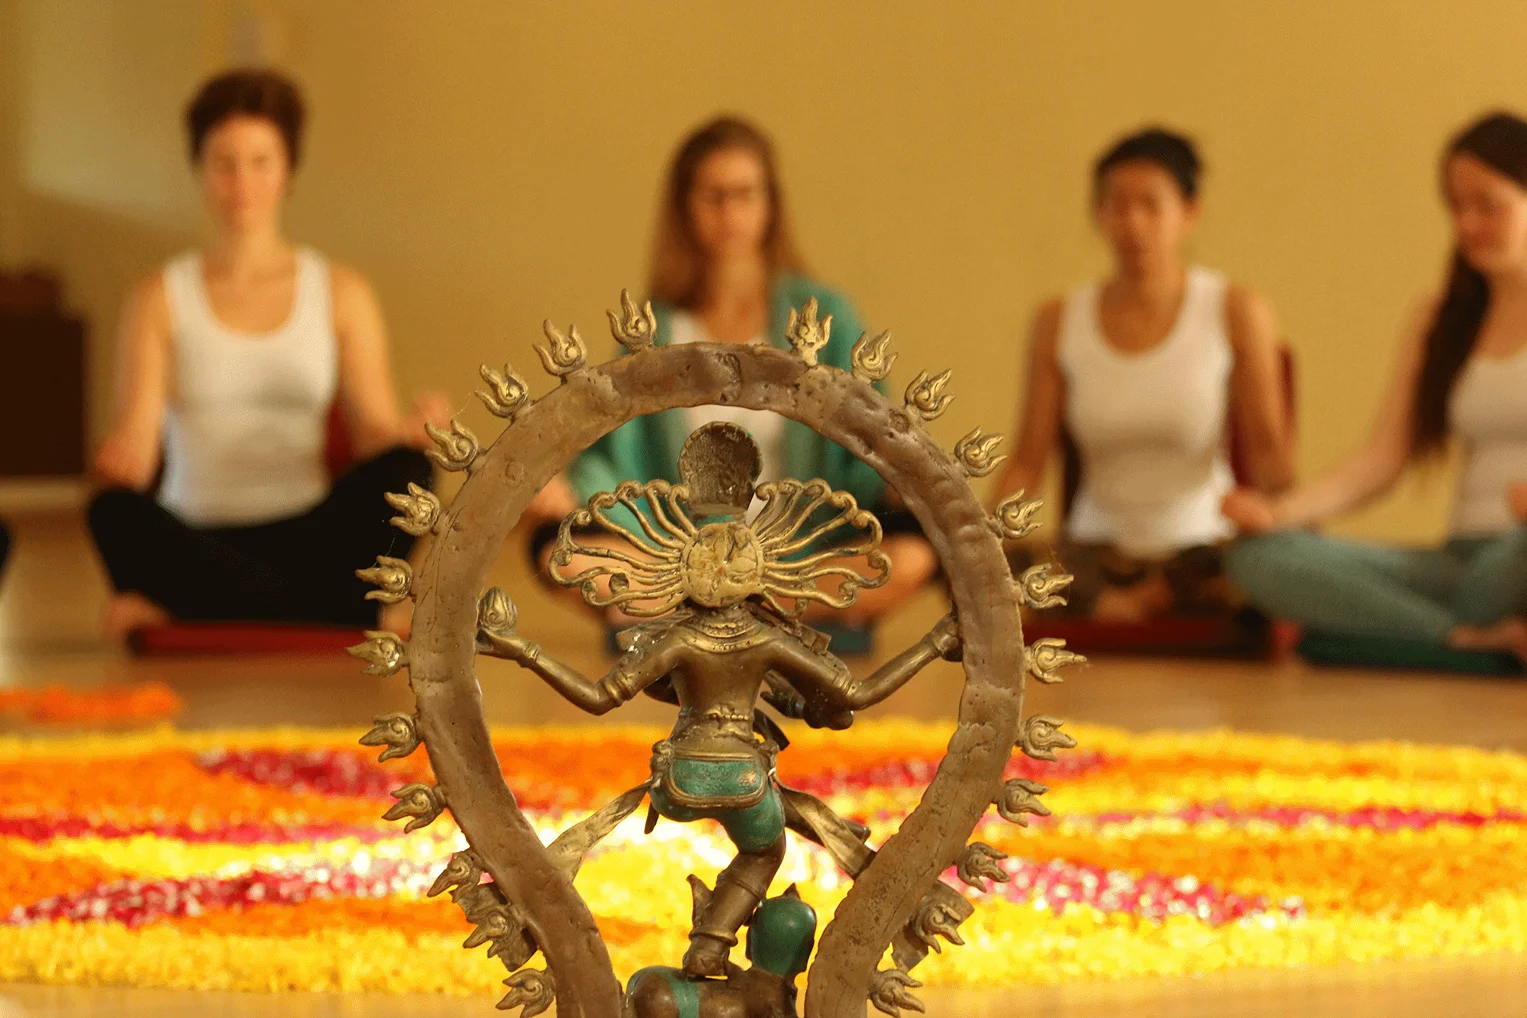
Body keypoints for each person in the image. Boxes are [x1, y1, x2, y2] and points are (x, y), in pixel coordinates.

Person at [524, 116, 937, 625]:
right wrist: (568, 491)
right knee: (558, 552)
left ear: (771, 204)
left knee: (915, 554)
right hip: (678, 559)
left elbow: (872, 438)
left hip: (801, 557)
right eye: (713, 197)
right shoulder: (653, 328)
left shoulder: (823, 316)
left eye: (745, 195)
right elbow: (615, 457)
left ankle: (729, 605)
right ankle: (735, 605)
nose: (730, 214)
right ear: (685, 207)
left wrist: (900, 480)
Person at [88, 69, 448, 640]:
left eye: (261, 162)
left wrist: (410, 434)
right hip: (194, 533)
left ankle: (192, 606)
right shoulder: (157, 297)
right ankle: (344, 612)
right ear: (199, 169)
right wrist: (118, 461)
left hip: (311, 534)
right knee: (111, 512)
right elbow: (136, 440)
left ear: (288, 171)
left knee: (411, 475)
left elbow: (372, 436)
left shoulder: (342, 292)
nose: (242, 183)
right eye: (223, 163)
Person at [1225, 112, 1527, 663]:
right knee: (1258, 559)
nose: (1467, 224)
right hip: (1458, 561)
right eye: (1456, 206)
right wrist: (1278, 514)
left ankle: (1377, 640)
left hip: (1519, 556)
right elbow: (1381, 459)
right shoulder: (1438, 317)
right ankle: (1466, 640)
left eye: (1488, 205)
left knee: (1510, 565)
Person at [990, 127, 1294, 623]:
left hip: (1200, 554)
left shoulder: (1235, 309)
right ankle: (1118, 606)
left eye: (1151, 205)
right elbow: (1028, 461)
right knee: (989, 564)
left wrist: (1283, 519)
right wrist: (981, 539)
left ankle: (1123, 610)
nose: (1133, 223)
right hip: (1092, 556)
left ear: (1190, 212)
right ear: (1099, 214)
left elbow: (1269, 460)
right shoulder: (1057, 320)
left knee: (1261, 566)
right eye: (1118, 205)